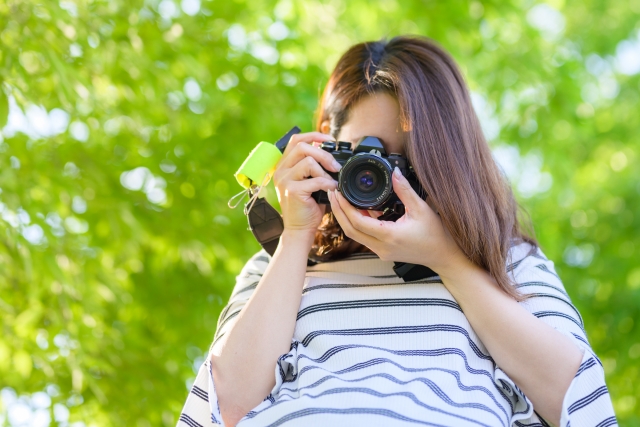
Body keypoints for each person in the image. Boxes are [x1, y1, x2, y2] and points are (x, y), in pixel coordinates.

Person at [177, 36, 617, 427]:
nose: (384, 178)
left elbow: (578, 401)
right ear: (326, 142)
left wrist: (447, 260)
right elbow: (225, 408)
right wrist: (295, 235)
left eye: (409, 160)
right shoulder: (279, 264)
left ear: (448, 158)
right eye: (369, 155)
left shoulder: (507, 259)